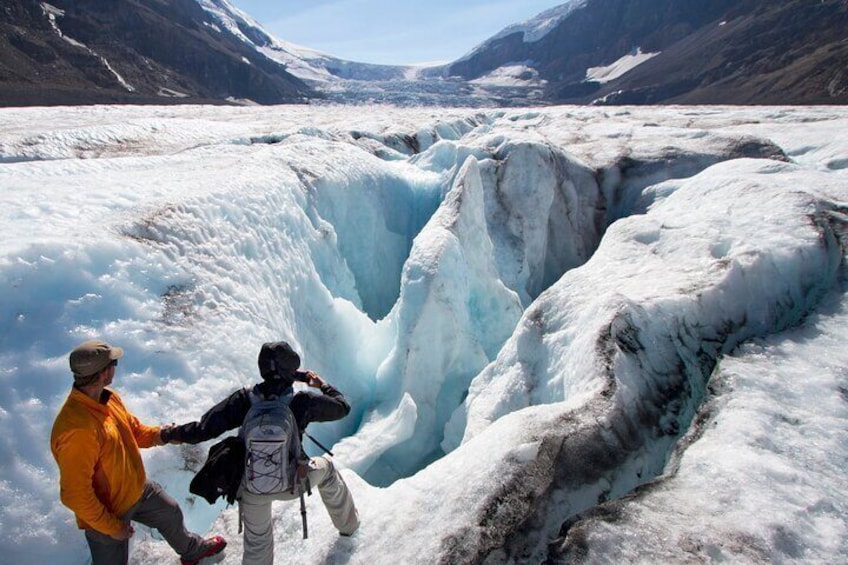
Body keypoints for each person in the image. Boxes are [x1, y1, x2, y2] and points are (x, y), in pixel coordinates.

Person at [160, 341, 359, 565]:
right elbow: (343, 407)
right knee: (328, 469)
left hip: (251, 486)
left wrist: (170, 433)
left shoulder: (243, 400)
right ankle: (349, 528)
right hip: (293, 482)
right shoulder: (302, 402)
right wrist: (322, 385)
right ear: (291, 372)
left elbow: (201, 430)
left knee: (258, 544)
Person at [50, 340, 227, 565]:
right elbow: (75, 494)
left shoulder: (108, 398)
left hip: (136, 488)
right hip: (108, 510)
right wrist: (112, 527)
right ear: (103, 372)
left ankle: (193, 551)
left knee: (170, 512)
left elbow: (133, 431)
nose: (116, 366)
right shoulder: (77, 429)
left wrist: (163, 434)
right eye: (114, 362)